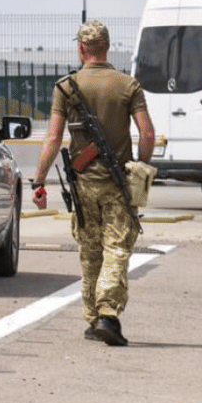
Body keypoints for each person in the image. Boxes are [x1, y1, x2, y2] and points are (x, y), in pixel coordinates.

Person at [31, 20, 155, 347]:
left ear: (82, 49)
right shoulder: (129, 85)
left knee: (90, 253)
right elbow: (147, 134)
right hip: (118, 185)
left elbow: (54, 138)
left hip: (83, 184)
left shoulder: (67, 87)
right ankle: (108, 315)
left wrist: (38, 181)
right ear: (107, 47)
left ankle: (92, 319)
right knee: (116, 248)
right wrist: (142, 167)